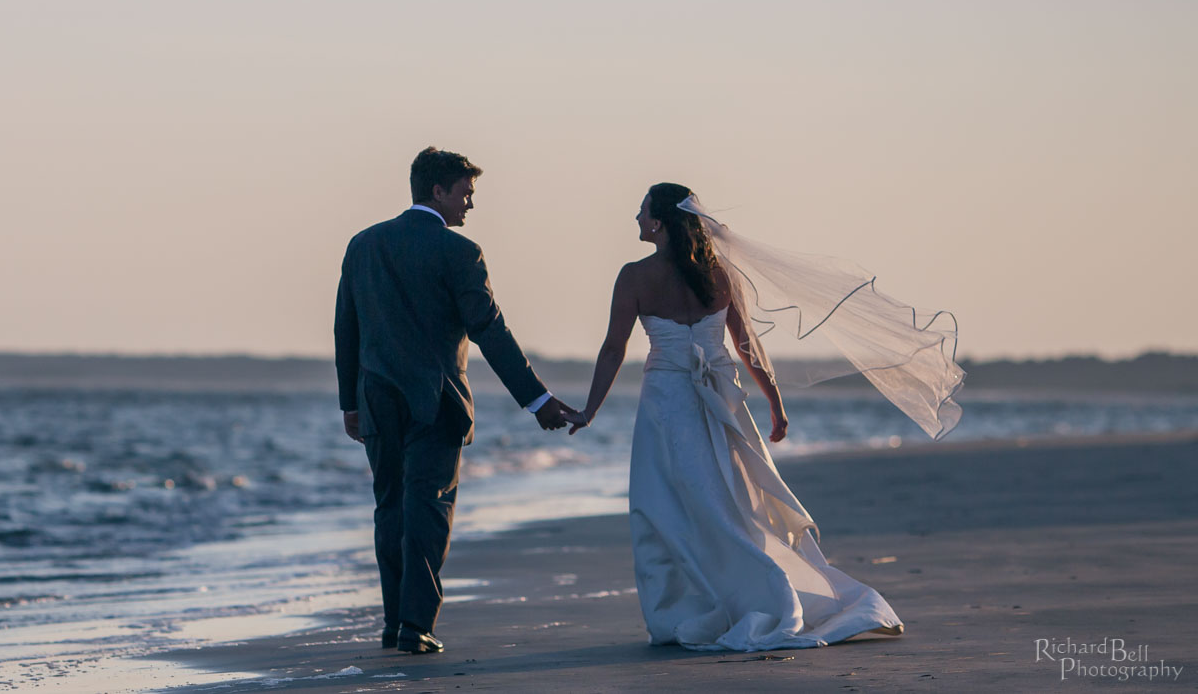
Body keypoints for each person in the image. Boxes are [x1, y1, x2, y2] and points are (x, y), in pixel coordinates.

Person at [567, 182, 917, 651]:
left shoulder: (633, 276)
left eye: (642, 210)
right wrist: (774, 402)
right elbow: (747, 344)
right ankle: (744, 590)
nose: (636, 218)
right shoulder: (720, 275)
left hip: (667, 400)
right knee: (734, 500)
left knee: (664, 504)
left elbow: (614, 348)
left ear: (660, 221)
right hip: (723, 397)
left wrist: (591, 409)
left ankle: (688, 609)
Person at [333, 147, 583, 655]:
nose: (470, 206)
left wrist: (350, 404)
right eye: (465, 194)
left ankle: (393, 623)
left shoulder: (363, 245)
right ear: (438, 191)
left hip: (376, 401)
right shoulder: (459, 252)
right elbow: (489, 330)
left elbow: (346, 331)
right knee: (429, 509)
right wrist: (538, 400)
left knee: (390, 510)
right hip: (436, 401)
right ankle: (414, 627)